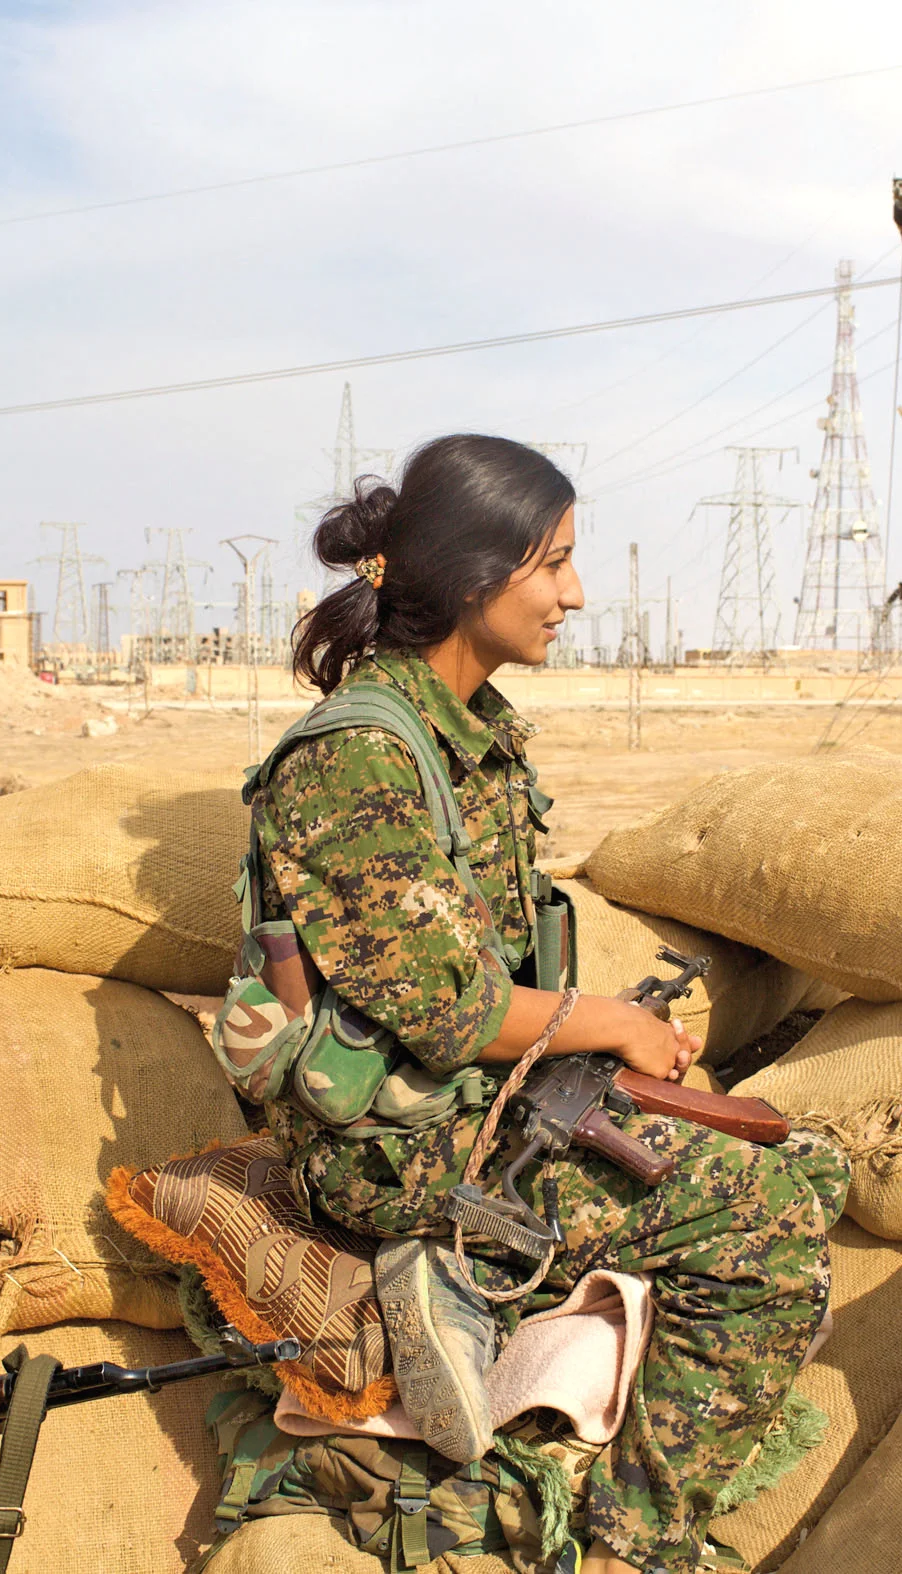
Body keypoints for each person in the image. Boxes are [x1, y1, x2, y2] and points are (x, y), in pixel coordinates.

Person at [246, 434, 849, 1574]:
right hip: (395, 1148)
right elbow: (450, 1010)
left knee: (804, 1163)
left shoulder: (473, 734)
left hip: (486, 1104)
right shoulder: (354, 759)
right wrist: (609, 1025)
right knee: (761, 1227)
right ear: (471, 572)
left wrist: (606, 1035)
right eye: (553, 563)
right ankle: (625, 1545)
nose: (574, 594)